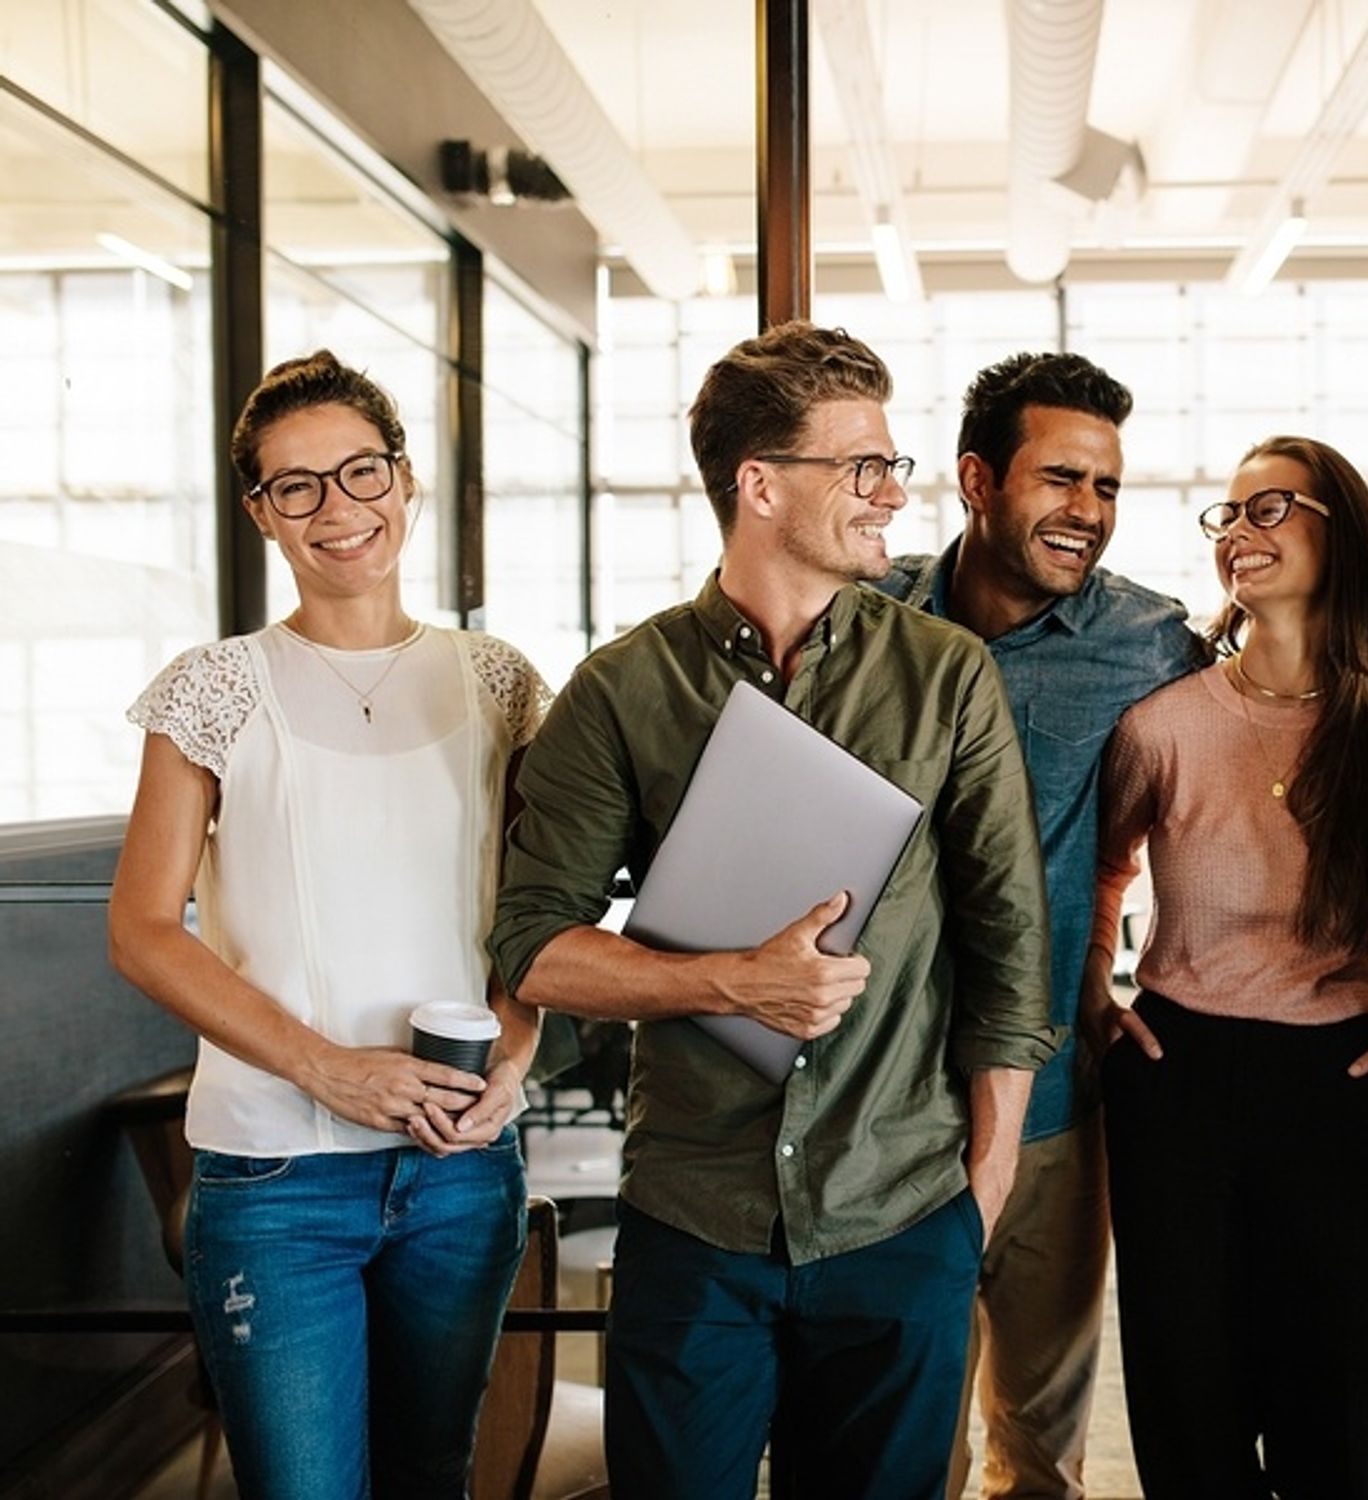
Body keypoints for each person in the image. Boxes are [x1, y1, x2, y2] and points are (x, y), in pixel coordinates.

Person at [485, 320, 1056, 1499]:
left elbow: (1010, 954)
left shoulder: (946, 675)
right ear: (758, 485)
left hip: (901, 1213)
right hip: (695, 1218)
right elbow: (534, 945)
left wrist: (979, 1197)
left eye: (889, 466)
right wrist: (729, 980)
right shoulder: (623, 688)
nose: (892, 494)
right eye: (861, 467)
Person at [107, 350, 546, 1498]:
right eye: (294, 486)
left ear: (404, 482)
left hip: (458, 1169)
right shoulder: (213, 686)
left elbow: (541, 906)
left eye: (360, 472)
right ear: (260, 512)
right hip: (275, 1177)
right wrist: (329, 1070)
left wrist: (518, 1047)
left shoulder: (498, 681)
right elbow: (145, 930)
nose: (336, 509)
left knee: (430, 1475)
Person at [1082, 436, 1368, 1499]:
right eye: (1226, 515)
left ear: (1342, 530)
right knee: (1187, 1404)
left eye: (1268, 508)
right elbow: (1103, 869)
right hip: (1175, 1072)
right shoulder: (1163, 724)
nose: (1237, 532)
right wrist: (1094, 995)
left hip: (1333, 1080)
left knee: (1338, 1413)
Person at [876, 351, 1207, 1500]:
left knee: (1038, 1456)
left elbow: (1291, 698)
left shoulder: (1147, 644)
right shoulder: (861, 622)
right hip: (881, 1111)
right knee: (901, 1451)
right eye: (1060, 478)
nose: (1088, 513)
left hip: (1059, 1102)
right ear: (975, 479)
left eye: (1107, 487)